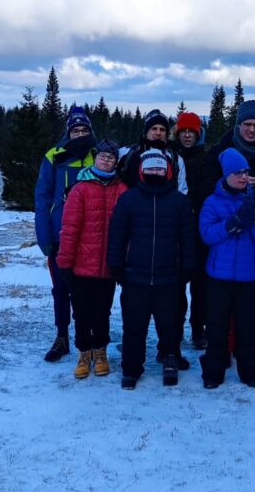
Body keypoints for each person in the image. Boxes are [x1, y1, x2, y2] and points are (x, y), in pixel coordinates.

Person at [107, 150, 196, 390]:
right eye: (150, 169)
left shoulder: (179, 201)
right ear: (141, 171)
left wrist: (188, 266)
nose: (154, 172)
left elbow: (188, 238)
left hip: (170, 276)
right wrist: (115, 264)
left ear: (167, 172)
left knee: (170, 325)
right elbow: (117, 235)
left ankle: (170, 360)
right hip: (135, 275)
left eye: (159, 169)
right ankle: (131, 367)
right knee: (134, 326)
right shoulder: (128, 199)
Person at [198, 149, 255, 389]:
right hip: (218, 277)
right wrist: (231, 224)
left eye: (245, 172)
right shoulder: (212, 202)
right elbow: (207, 235)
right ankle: (213, 372)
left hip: (248, 276)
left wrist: (254, 219)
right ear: (226, 175)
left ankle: (250, 371)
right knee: (216, 326)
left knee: (247, 327)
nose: (243, 177)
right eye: (237, 173)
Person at [56, 139, 127, 379]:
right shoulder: (80, 189)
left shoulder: (122, 189)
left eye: (111, 157)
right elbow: (69, 228)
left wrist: (121, 262)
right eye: (103, 156)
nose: (106, 160)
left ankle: (101, 351)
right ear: (95, 158)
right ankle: (84, 352)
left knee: (102, 312)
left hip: (107, 266)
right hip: (81, 266)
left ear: (116, 162)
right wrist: (65, 262)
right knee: (81, 313)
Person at [34, 106, 95, 362]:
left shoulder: (98, 155)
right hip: (60, 236)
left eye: (84, 130)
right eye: (75, 130)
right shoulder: (54, 156)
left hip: (90, 237)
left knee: (88, 291)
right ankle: (61, 336)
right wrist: (44, 236)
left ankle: (89, 337)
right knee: (60, 289)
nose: (79, 134)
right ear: (68, 133)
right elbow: (42, 198)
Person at [171, 111, 209, 350]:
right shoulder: (170, 156)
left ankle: (198, 328)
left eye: (191, 132)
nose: (187, 136)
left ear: (198, 134)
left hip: (200, 230)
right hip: (176, 230)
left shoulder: (207, 159)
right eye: (183, 132)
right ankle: (176, 328)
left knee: (200, 284)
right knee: (176, 285)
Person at [117, 109, 188, 194]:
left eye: (162, 129)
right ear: (146, 131)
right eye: (154, 128)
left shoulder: (176, 159)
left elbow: (182, 190)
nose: (158, 133)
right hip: (131, 201)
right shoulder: (127, 153)